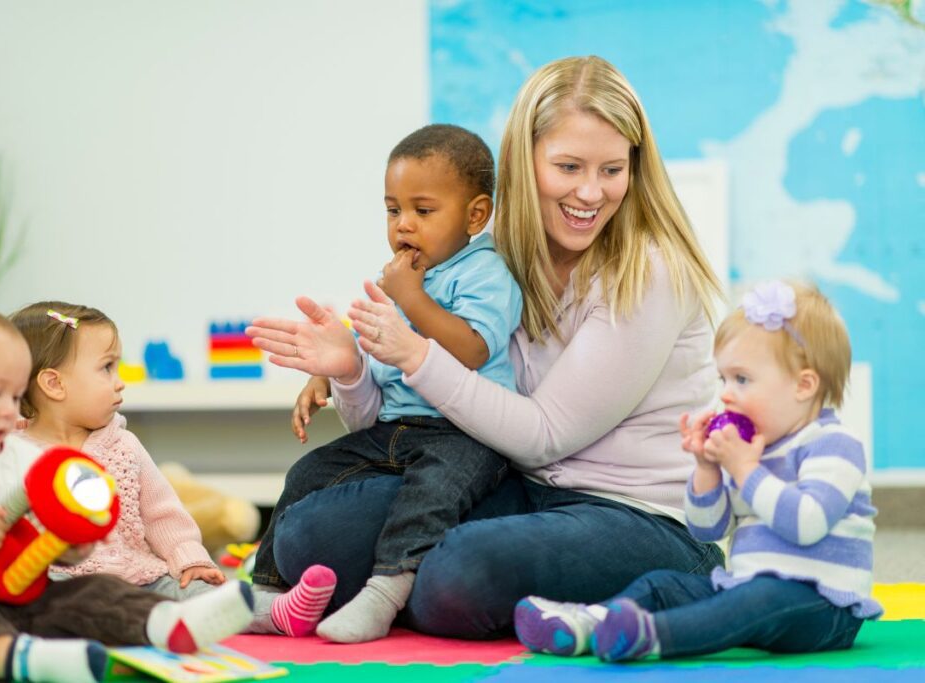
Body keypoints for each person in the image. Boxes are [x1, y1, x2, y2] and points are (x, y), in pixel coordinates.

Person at [245, 55, 725, 640]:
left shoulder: (650, 271)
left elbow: (546, 433)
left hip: (636, 513)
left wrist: (417, 354)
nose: (591, 192)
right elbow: (393, 412)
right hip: (518, 487)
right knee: (308, 539)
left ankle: (677, 585)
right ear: (526, 165)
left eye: (612, 170)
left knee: (460, 573)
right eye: (568, 166)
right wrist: (350, 369)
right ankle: (415, 589)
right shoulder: (489, 257)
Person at [248, 123, 523, 643]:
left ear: (475, 215)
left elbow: (471, 349)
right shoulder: (404, 279)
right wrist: (330, 374)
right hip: (397, 429)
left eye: (423, 211)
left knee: (429, 496)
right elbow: (378, 356)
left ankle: (386, 591)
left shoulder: (483, 273)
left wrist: (412, 297)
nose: (404, 226)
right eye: (394, 210)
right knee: (310, 470)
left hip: (464, 436)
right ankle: (267, 592)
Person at [515, 280, 880, 661]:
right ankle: (590, 623)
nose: (725, 393)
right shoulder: (752, 451)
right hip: (746, 588)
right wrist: (707, 468)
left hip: (824, 605)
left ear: (803, 385)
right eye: (723, 378)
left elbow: (807, 523)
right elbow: (708, 530)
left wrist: (745, 470)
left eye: (742, 379)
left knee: (759, 597)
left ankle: (652, 637)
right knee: (663, 585)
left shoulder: (834, 445)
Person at [0, 301, 254, 683]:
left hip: (26, 600)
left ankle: (166, 623)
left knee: (93, 590)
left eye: (15, 396)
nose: (9, 410)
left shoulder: (20, 457)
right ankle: (21, 660)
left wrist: (71, 544)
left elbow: (44, 533)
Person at [11, 301, 226, 600]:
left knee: (207, 594)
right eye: (107, 368)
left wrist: (190, 560)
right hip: (59, 583)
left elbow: (162, 515)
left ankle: (278, 611)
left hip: (139, 578)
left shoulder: (123, 445)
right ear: (54, 384)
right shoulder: (10, 455)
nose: (120, 382)